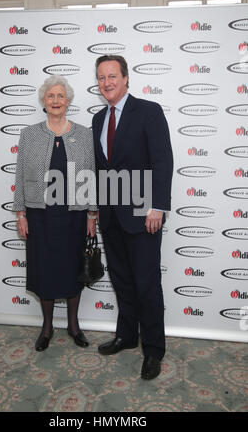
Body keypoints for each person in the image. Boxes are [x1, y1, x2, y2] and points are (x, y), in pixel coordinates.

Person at [92, 55, 173, 380]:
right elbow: (99, 170)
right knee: (122, 281)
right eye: (101, 78)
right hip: (111, 216)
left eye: (112, 76)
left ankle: (153, 350)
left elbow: (162, 160)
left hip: (143, 214)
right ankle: (127, 336)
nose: (106, 82)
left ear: (125, 78)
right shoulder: (98, 119)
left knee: (146, 284)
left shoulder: (149, 111)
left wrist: (157, 206)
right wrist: (94, 209)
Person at [13, 75, 97, 352]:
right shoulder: (29, 134)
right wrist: (20, 213)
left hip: (73, 215)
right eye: (51, 96)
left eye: (61, 96)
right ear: (44, 101)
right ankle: (47, 327)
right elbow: (21, 175)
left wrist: (91, 215)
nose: (56, 101)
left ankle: (74, 326)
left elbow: (90, 176)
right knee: (44, 271)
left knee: (74, 270)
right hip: (40, 216)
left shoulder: (84, 134)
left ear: (68, 101)